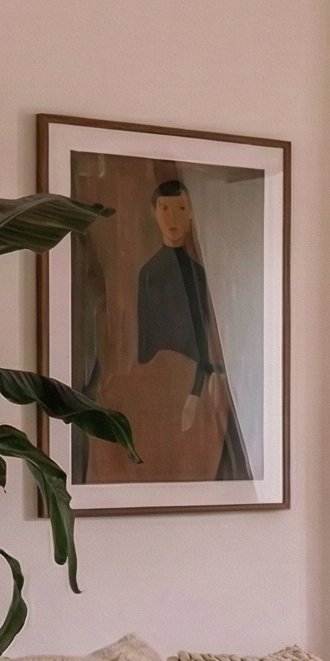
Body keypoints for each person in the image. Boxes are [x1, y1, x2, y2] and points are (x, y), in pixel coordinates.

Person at [134, 177, 250, 478]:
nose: (172, 218)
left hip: (196, 385)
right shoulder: (148, 274)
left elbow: (206, 339)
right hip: (158, 385)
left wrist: (196, 390)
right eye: (165, 209)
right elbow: (145, 345)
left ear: (191, 214)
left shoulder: (200, 274)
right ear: (153, 212)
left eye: (181, 208)